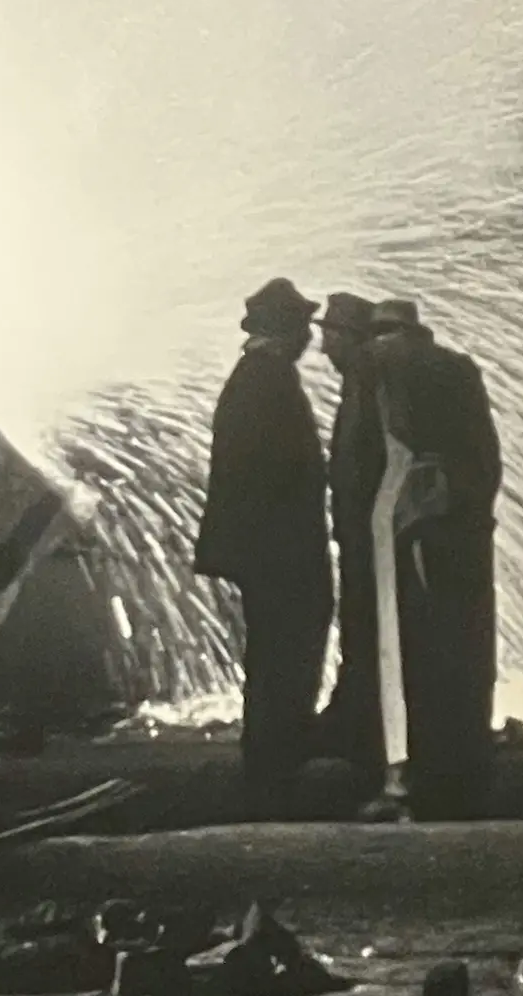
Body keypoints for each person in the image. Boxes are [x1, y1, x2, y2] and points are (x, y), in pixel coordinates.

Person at [192, 278, 333, 814]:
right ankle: (277, 758)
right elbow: (274, 469)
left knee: (278, 645)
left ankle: (275, 751)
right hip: (279, 549)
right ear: (286, 330)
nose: (309, 339)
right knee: (287, 645)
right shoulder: (267, 378)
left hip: (267, 548)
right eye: (302, 327)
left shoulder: (257, 375)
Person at [362, 298, 504, 821]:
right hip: (464, 524)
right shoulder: (455, 368)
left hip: (431, 524)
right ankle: (465, 767)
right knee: (466, 650)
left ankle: (439, 774)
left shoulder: (402, 372)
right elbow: (485, 460)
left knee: (430, 653)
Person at [311, 292, 388, 782]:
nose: (322, 349)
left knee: (366, 624)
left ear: (350, 338)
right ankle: (356, 719)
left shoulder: (367, 386)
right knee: (362, 625)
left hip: (368, 534)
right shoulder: (363, 384)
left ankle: (361, 728)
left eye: (329, 336)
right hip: (362, 531)